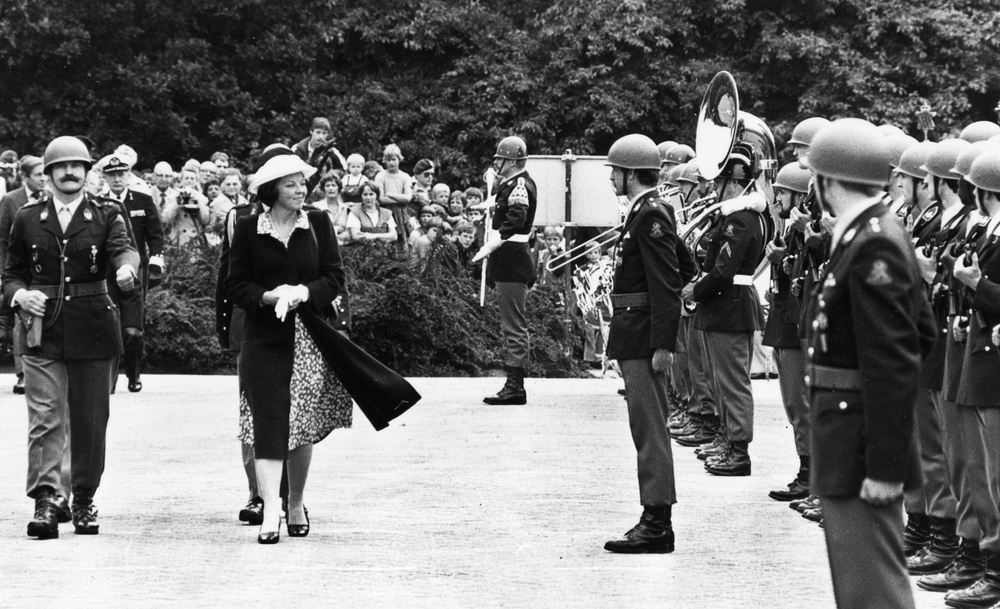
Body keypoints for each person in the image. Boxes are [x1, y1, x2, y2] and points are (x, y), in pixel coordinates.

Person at [804, 118, 935, 609]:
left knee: (873, 593)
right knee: (860, 588)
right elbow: (923, 333)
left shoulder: (873, 241)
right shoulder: (870, 232)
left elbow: (895, 360)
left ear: (827, 181)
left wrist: (885, 466)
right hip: (848, 432)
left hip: (858, 443)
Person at [3, 136, 140, 540]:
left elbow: (124, 249)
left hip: (94, 327)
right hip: (42, 330)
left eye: (76, 166)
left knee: (90, 420)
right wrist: (19, 295)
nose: (69, 172)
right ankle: (46, 499)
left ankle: (82, 496)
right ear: (47, 175)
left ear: (86, 171)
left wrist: (126, 269)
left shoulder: (106, 212)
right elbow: (11, 272)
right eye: (60, 167)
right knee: (45, 417)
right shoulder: (28, 217)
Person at [225, 153, 352, 544]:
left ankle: (294, 503)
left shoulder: (318, 222)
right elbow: (235, 284)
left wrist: (303, 292)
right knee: (267, 419)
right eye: (291, 184)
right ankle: (269, 513)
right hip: (262, 336)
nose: (300, 190)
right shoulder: (249, 228)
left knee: (300, 422)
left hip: (308, 336)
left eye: (302, 183)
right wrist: (268, 296)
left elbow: (334, 276)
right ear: (272, 190)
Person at [599, 134, 684, 554]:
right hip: (635, 330)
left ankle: (656, 523)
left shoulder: (650, 215)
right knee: (645, 428)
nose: (611, 177)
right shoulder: (646, 212)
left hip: (643, 335)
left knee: (650, 430)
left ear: (631, 173)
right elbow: (686, 265)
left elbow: (667, 283)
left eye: (615, 171)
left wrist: (663, 344)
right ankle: (654, 518)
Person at [682, 150, 767, 476]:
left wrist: (695, 290)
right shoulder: (733, 217)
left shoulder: (739, 220)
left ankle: (739, 450)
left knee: (732, 383)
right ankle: (728, 438)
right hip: (724, 305)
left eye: (719, 182)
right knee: (721, 382)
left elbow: (723, 270)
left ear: (734, 183)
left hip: (729, 304)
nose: (714, 188)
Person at [472, 136, 538, 405]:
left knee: (513, 326)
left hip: (512, 260)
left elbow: (517, 218)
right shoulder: (510, 184)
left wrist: (493, 242)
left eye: (499, 159)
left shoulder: (519, 184)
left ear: (510, 161)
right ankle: (513, 383)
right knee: (510, 324)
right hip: (507, 260)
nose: (495, 164)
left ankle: (515, 386)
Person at [762, 162, 813, 500]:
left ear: (798, 195)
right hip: (784, 320)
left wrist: (782, 261)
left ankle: (810, 474)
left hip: (796, 323)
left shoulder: (803, 228)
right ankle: (806, 470)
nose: (776, 197)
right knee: (793, 405)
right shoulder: (789, 228)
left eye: (782, 191)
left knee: (800, 403)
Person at [101, 154, 164, 392]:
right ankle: (109, 379)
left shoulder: (142, 200)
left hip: (136, 270)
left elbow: (155, 235)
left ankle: (133, 375)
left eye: (121, 174)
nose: (117, 179)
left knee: (133, 330)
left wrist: (156, 263)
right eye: (112, 175)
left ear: (128, 175)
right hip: (105, 273)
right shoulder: (98, 203)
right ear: (105, 177)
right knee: (109, 325)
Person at [0, 155, 48, 395]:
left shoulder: (50, 198)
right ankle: (22, 375)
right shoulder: (10, 200)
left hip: (43, 269)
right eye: (38, 174)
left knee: (40, 317)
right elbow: (1, 239)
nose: (43, 179)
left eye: (45, 174)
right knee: (21, 318)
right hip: (18, 270)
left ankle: (40, 370)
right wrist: (4, 272)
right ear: (25, 177)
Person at [373, 144, 413, 251]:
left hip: (401, 214)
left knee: (402, 243)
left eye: (394, 159)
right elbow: (381, 199)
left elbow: (408, 198)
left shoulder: (405, 176)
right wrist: (401, 199)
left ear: (399, 159)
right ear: (384, 161)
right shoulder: (380, 176)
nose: (391, 162)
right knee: (385, 243)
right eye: (388, 160)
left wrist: (390, 194)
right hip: (385, 212)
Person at [319, 175, 351, 245]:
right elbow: (317, 231)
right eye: (327, 186)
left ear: (338, 188)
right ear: (323, 189)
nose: (331, 188)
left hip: (344, 245)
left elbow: (349, 231)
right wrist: (336, 229)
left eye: (333, 185)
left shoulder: (345, 208)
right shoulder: (317, 207)